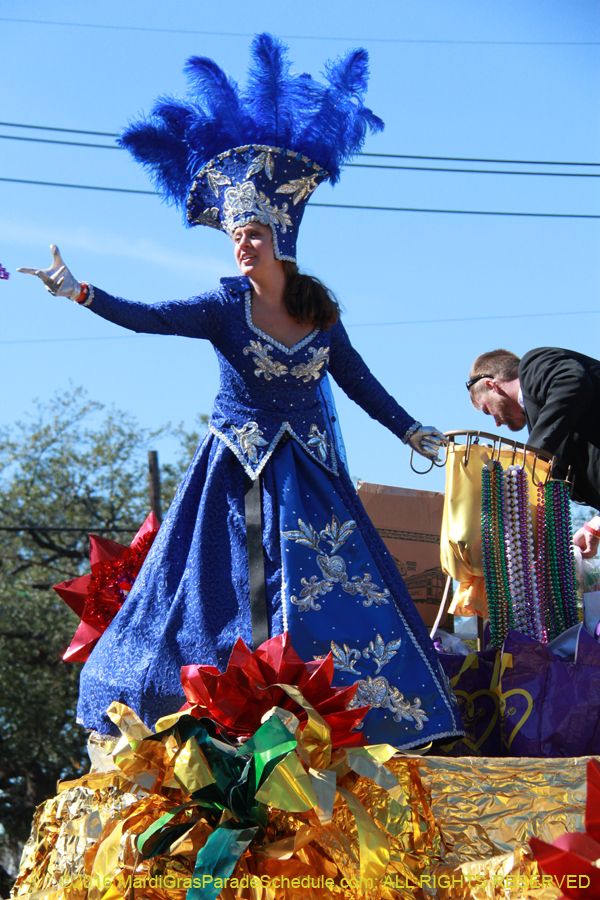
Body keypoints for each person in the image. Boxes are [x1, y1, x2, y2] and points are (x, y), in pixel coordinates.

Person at [18, 34, 462, 749]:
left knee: (333, 588)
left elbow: (356, 381)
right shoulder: (222, 307)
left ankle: (336, 721)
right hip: (237, 469)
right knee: (217, 589)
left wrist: (412, 431)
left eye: (252, 233)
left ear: (280, 236)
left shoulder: (320, 312)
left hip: (310, 473)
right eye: (234, 236)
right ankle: (222, 718)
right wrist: (79, 291)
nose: (241, 246)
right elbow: (147, 320)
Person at [467, 347, 600, 558]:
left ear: (492, 385)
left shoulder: (533, 363)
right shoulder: (548, 420)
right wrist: (595, 526)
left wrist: (533, 454)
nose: (496, 422)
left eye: (487, 409)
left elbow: (572, 380)